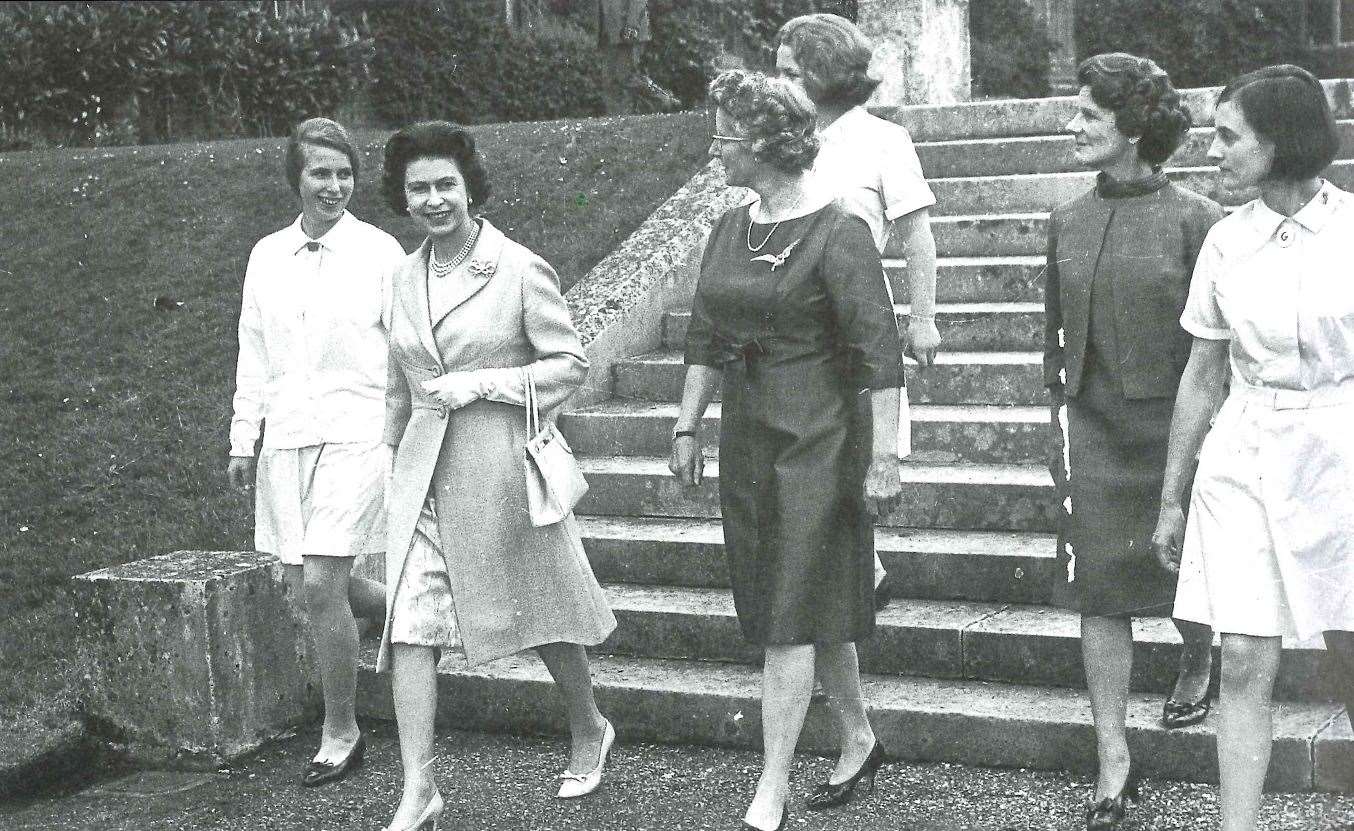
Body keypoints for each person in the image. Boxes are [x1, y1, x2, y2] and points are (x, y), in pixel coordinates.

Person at [669, 70, 905, 831]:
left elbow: (881, 356)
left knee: (789, 611)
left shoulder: (841, 232)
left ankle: (769, 787)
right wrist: (686, 423)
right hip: (749, 436)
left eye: (725, 137)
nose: (716, 150)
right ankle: (861, 736)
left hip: (820, 440)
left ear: (768, 144)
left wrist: (885, 457)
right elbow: (705, 331)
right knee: (801, 601)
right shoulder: (730, 226)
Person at [375, 121, 617, 831]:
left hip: (499, 466)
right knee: (411, 625)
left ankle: (589, 725)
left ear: (470, 186)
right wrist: (389, 460)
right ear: (403, 196)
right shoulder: (399, 274)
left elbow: (568, 364)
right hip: (422, 472)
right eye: (418, 187)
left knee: (542, 610)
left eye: (445, 183)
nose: (432, 199)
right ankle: (418, 787)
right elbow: (400, 381)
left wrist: (484, 383)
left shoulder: (516, 266)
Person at [1152, 64, 1354, 831]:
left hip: (1343, 453)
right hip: (1243, 452)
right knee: (1241, 658)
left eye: (1229, 136)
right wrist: (1171, 498)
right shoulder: (1225, 242)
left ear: (1280, 140)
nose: (1213, 151)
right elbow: (1202, 376)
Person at [1042, 53, 1222, 830]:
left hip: (1177, 428)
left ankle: (1199, 649)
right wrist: (1058, 419)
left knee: (1183, 562)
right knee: (1098, 591)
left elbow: (1218, 349)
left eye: (1087, 114)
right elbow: (1049, 337)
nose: (1072, 125)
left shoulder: (1199, 218)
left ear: (1134, 125)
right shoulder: (1066, 220)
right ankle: (1113, 756)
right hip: (1094, 427)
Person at [227, 117, 405, 788]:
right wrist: (246, 437)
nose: (334, 186)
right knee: (301, 577)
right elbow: (255, 350)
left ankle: (342, 730)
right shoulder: (266, 254)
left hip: (359, 433)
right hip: (290, 437)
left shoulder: (381, 252)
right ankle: (396, 605)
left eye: (343, 173)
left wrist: (404, 427)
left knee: (322, 583)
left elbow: (405, 347)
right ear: (295, 178)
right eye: (319, 173)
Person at [773, 11, 940, 610]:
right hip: (788, 326)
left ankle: (856, 579)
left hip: (854, 321)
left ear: (823, 74)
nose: (781, 83)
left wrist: (923, 318)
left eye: (792, 73)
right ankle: (845, 581)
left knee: (857, 447)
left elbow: (917, 236)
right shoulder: (782, 140)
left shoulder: (881, 141)